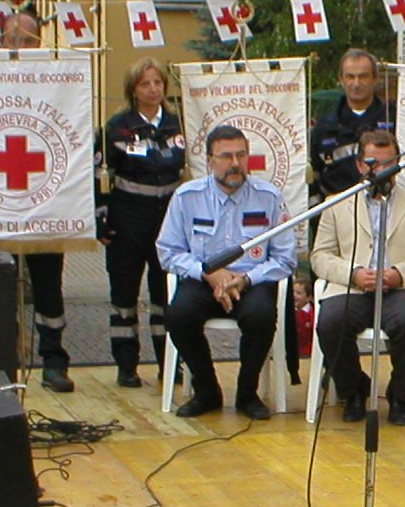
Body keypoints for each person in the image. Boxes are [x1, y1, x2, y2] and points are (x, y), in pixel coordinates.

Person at [156, 125, 296, 420]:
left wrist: (245, 279)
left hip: (252, 279)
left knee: (261, 316)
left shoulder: (269, 197)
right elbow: (168, 251)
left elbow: (285, 258)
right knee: (178, 316)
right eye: (226, 156)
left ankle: (247, 393)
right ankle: (207, 390)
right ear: (209, 161)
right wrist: (208, 273)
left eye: (241, 155)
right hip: (203, 279)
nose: (235, 163)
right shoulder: (187, 197)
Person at [312, 128, 405, 426]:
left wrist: (400, 274)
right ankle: (354, 389)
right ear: (360, 165)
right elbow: (319, 256)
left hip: (400, 288)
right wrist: (354, 274)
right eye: (373, 163)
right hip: (353, 287)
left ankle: (399, 393)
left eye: (388, 163)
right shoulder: (336, 203)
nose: (381, 170)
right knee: (330, 322)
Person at [99, 58, 184, 387]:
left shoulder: (178, 126)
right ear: (133, 89)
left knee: (165, 294)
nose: (153, 89)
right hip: (128, 215)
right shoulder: (117, 127)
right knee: (124, 294)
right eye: (146, 84)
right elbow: (101, 176)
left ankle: (169, 362)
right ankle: (126, 364)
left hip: (167, 217)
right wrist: (101, 218)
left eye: (158, 83)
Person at [0, 9, 73, 392]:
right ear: (0, 42)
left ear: (38, 44)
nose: (20, 47)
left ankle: (54, 361)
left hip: (46, 202)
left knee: (48, 286)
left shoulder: (54, 81)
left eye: (28, 40)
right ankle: (2, 357)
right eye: (13, 40)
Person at [308, 48, 395, 200]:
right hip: (337, 212)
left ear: (375, 78)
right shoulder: (324, 127)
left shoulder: (394, 120)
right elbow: (314, 178)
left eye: (363, 76)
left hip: (385, 209)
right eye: (350, 77)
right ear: (341, 80)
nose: (356, 83)